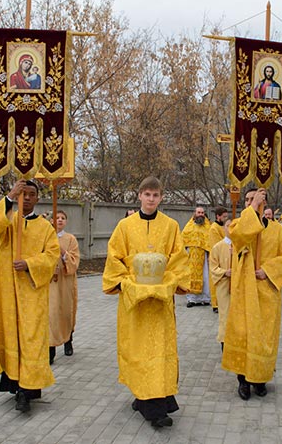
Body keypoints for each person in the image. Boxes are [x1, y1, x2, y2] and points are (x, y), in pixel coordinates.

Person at [102, 176, 189, 428]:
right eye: (147, 194)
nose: (151, 199)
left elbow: (178, 260)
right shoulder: (124, 226)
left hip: (160, 304)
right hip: (135, 304)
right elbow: (114, 258)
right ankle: (143, 396)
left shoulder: (171, 226)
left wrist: (167, 283)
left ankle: (154, 407)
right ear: (139, 195)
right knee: (138, 350)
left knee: (159, 350)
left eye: (156, 195)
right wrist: (128, 284)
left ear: (161, 197)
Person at [0, 179, 60, 413]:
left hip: (32, 293)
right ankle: (14, 384)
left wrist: (29, 264)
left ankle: (27, 391)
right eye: (22, 194)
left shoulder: (46, 228)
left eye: (31, 194)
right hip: (8, 292)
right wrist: (9, 197)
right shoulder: (9, 221)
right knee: (11, 336)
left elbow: (52, 256)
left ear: (37, 198)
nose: (26, 198)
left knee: (31, 339)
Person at [221, 188, 282, 400]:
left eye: (255, 199)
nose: (249, 202)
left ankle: (260, 379)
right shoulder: (238, 225)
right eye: (247, 200)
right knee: (243, 335)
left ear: (265, 202)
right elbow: (239, 236)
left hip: (266, 291)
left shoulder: (279, 232)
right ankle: (243, 380)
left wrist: (268, 271)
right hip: (244, 291)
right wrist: (253, 208)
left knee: (263, 337)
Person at [48, 210, 80, 365]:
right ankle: (50, 349)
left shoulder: (70, 239)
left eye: (63, 218)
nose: (59, 220)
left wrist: (62, 252)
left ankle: (68, 340)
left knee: (66, 311)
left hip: (66, 280)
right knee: (51, 314)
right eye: (57, 218)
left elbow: (75, 260)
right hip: (50, 281)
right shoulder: (46, 237)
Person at [209, 219, 232, 351]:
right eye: (228, 226)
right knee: (225, 314)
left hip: (237, 287)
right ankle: (224, 343)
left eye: (233, 226)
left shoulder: (241, 246)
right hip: (223, 286)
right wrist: (224, 272)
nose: (231, 228)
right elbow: (213, 267)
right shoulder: (217, 247)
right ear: (224, 228)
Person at [182, 206, 212, 308]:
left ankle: (205, 298)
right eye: (199, 212)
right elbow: (183, 239)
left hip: (203, 255)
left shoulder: (208, 227)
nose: (201, 214)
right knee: (191, 277)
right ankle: (192, 299)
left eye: (202, 213)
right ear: (195, 214)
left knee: (205, 277)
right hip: (191, 255)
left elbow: (210, 241)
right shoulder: (189, 226)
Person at [208, 206, 229, 313]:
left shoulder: (224, 226)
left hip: (226, 256)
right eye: (224, 217)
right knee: (216, 281)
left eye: (226, 216)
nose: (226, 218)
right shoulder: (214, 228)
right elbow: (215, 245)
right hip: (218, 257)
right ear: (218, 216)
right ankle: (215, 304)